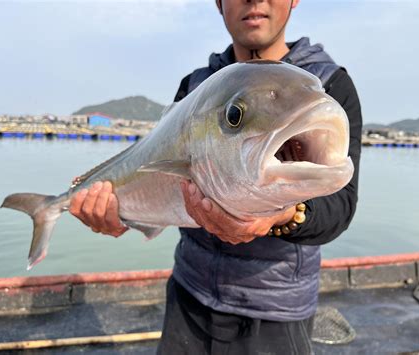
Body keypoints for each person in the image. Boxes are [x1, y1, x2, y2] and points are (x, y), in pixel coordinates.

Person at [69, 0, 362, 353]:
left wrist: (285, 214)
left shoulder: (331, 84)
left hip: (275, 311)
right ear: (218, 3)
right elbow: (155, 179)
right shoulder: (194, 86)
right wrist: (117, 215)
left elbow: (339, 204)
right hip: (187, 296)